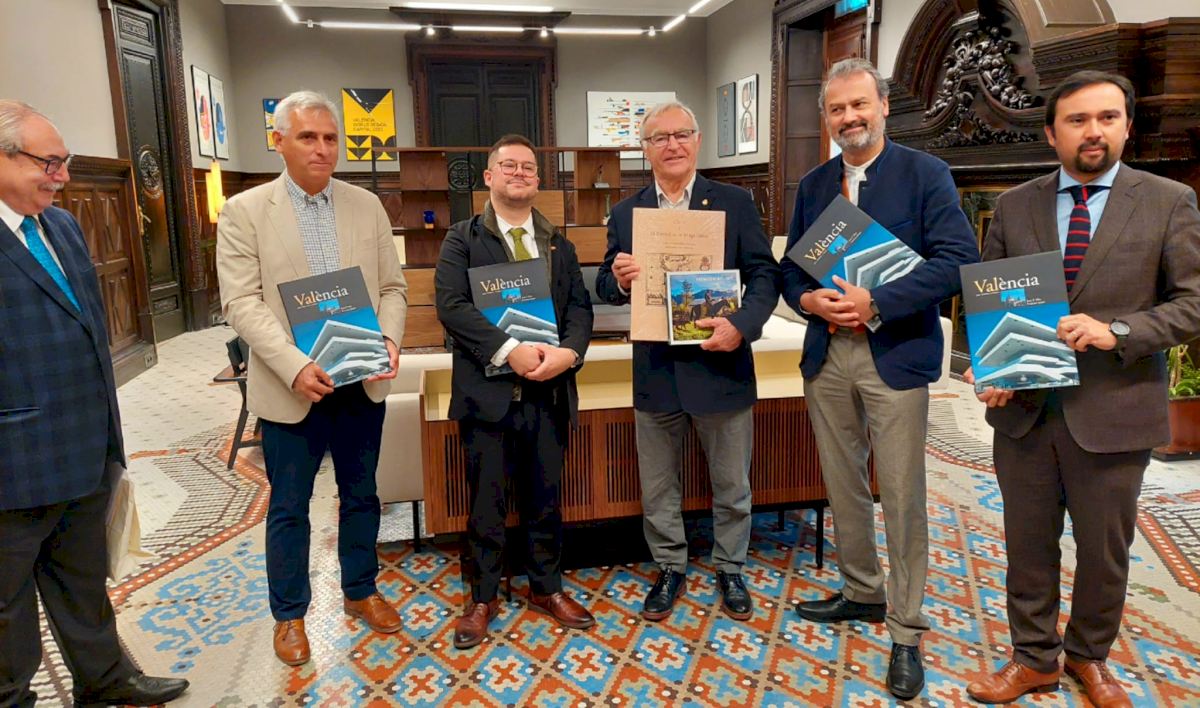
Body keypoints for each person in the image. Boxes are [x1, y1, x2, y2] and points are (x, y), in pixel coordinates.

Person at [964, 71, 1200, 707]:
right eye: (1077, 120)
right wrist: (988, 365)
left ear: (1126, 126)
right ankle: (1033, 658)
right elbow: (992, 299)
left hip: (1114, 411)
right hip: (1026, 412)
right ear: (1052, 133)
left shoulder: (1168, 201)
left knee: (1104, 553)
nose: (1093, 131)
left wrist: (1116, 331)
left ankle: (1089, 657)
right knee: (1027, 546)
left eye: (1106, 118)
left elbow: (1193, 303)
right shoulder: (1015, 205)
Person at [780, 58, 979, 700]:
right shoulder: (814, 185)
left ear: (883, 106)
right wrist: (808, 301)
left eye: (859, 104)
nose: (850, 118)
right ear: (826, 117)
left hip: (894, 353)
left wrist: (878, 301)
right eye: (837, 109)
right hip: (828, 356)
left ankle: (906, 628)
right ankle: (862, 591)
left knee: (900, 492)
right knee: (842, 483)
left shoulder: (926, 174)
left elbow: (958, 262)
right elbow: (791, 270)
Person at [0, 100, 189, 706]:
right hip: (12, 462)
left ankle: (106, 681)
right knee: (6, 612)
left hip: (82, 447)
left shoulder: (59, 226)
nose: (61, 176)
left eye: (65, 162)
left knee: (82, 580)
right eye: (48, 163)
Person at [216, 90, 408, 667]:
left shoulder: (367, 206)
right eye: (307, 137)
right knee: (290, 506)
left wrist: (390, 340)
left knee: (362, 494)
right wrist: (295, 365)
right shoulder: (246, 211)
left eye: (330, 138)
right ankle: (290, 615)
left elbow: (392, 289)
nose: (322, 149)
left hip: (360, 382)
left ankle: (360, 589)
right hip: (291, 387)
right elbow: (241, 303)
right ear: (279, 141)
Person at [595, 102, 780, 623]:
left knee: (732, 484)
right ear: (645, 149)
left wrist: (741, 325)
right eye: (660, 137)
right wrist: (619, 279)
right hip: (655, 370)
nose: (672, 145)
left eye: (681, 134)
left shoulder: (734, 203)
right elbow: (605, 285)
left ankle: (730, 567)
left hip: (720, 365)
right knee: (658, 487)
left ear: (697, 141)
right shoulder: (627, 213)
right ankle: (669, 566)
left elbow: (764, 276)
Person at [435, 134, 595, 649]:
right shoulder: (462, 239)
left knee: (546, 500)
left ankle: (547, 588)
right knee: (486, 504)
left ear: (538, 179)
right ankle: (482, 597)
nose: (519, 173)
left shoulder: (558, 243)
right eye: (508, 166)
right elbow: (452, 306)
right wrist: (509, 351)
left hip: (549, 393)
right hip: (489, 396)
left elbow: (579, 310)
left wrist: (569, 354)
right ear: (489, 177)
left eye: (527, 166)